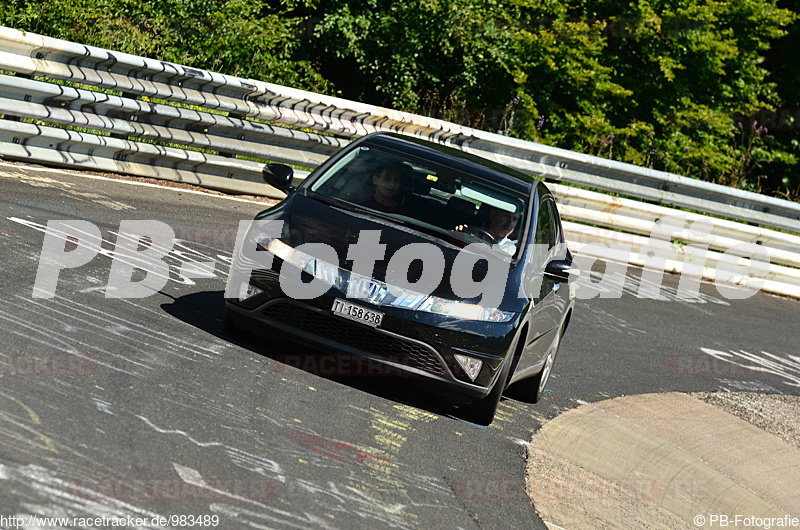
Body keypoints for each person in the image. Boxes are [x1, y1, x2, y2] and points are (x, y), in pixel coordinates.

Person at [455, 205, 520, 255]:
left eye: (514, 219)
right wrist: (458, 234)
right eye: (506, 216)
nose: (510, 223)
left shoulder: (512, 250)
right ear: (493, 215)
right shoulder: (470, 233)